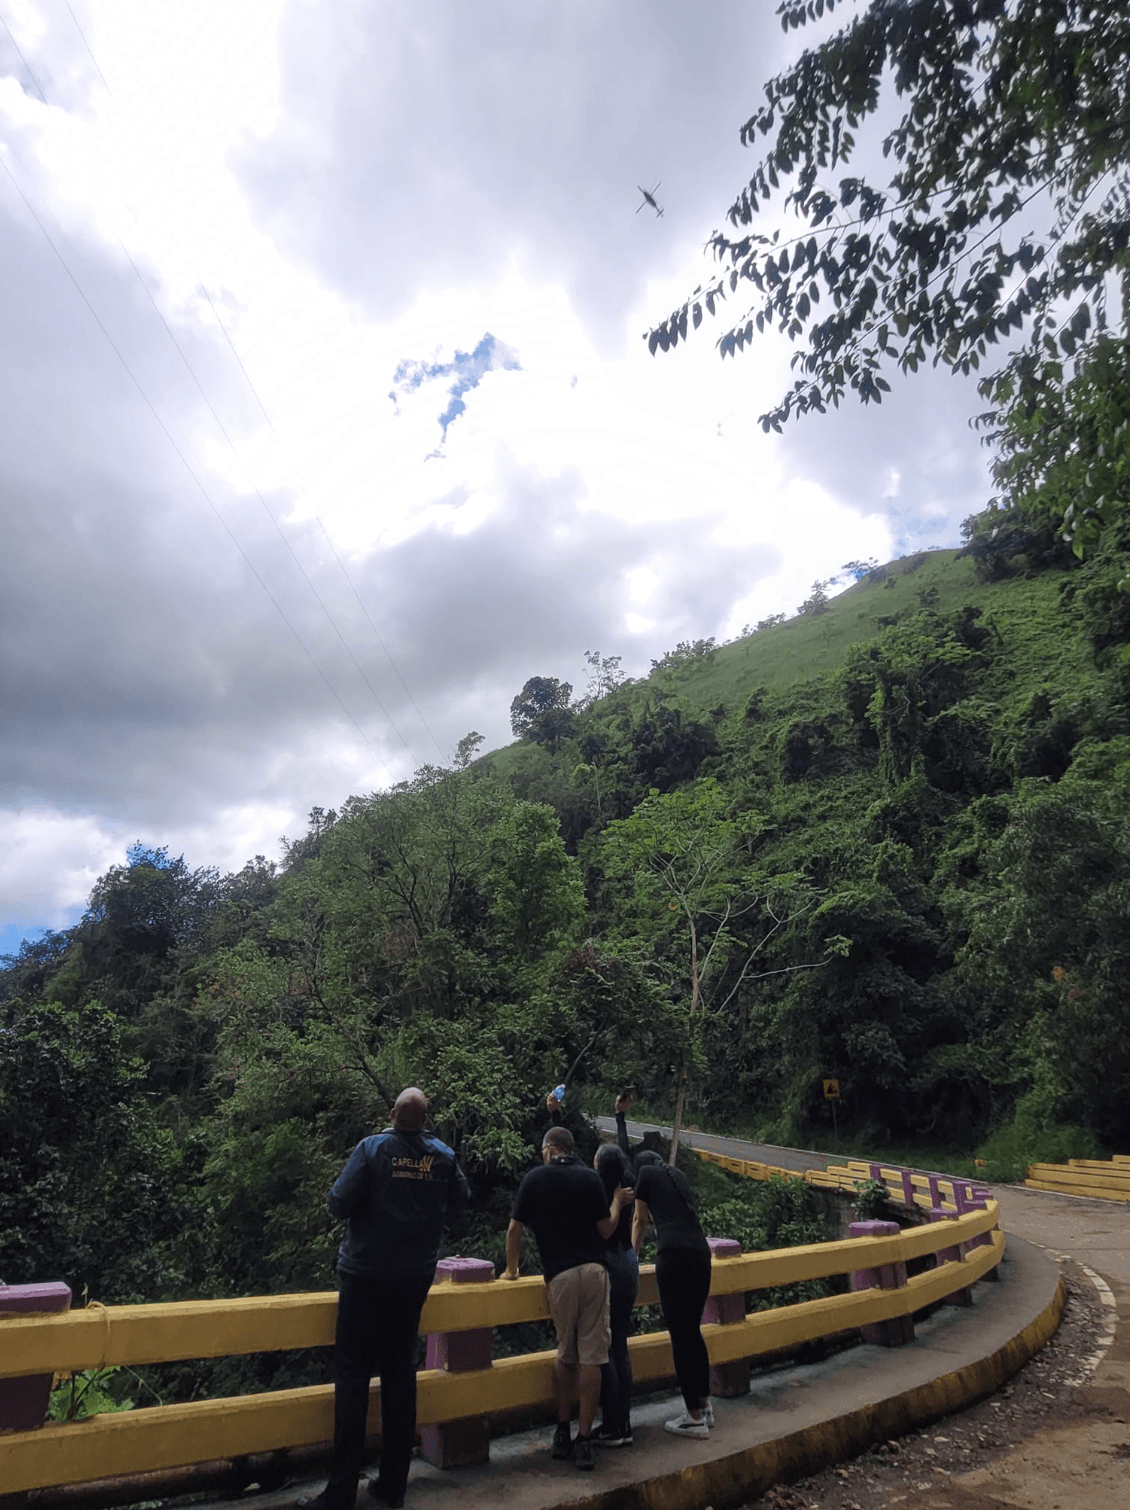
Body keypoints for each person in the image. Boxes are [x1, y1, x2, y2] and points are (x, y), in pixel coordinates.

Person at [299, 1087, 470, 1510]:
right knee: (400, 1374)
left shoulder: (371, 1149)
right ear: (426, 1119)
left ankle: (341, 1491)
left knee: (353, 1377)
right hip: (413, 1279)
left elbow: (338, 1202)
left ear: (393, 1112)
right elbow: (461, 1202)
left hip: (364, 1275)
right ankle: (394, 1484)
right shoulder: (443, 1156)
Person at [504, 1124, 633, 1471]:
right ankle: (585, 1438)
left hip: (559, 1275)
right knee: (593, 1357)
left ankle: (562, 1430)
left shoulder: (535, 1178)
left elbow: (515, 1230)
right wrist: (616, 1203)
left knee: (566, 1353)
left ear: (549, 1148)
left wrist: (512, 1270)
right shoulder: (590, 1178)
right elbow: (606, 1229)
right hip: (594, 1271)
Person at [631, 1148, 714, 1440]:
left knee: (680, 1335)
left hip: (674, 1256)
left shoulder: (644, 1174)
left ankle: (693, 1418)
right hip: (701, 1254)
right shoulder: (676, 1175)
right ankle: (704, 1405)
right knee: (693, 1331)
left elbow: (639, 1220)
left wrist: (632, 1258)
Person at [592, 1136, 638, 1447]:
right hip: (629, 1260)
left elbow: (605, 1229)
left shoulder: (607, 1196)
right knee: (619, 1345)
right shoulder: (627, 1185)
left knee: (608, 1347)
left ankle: (612, 1425)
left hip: (611, 1265)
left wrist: (615, 1203)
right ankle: (624, 1422)